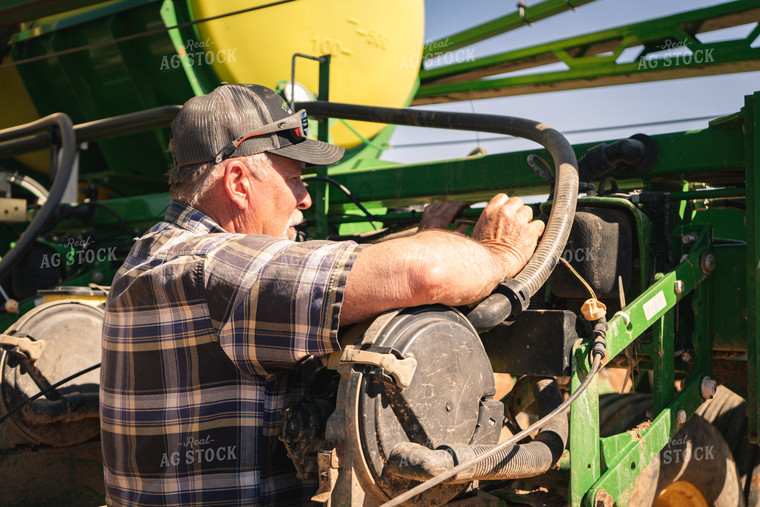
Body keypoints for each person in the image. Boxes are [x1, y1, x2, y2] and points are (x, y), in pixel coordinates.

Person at [99, 83, 545, 506]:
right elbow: (426, 272)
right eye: (294, 178)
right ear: (238, 182)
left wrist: (426, 235)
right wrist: (499, 252)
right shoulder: (214, 268)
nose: (306, 198)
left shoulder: (157, 254)